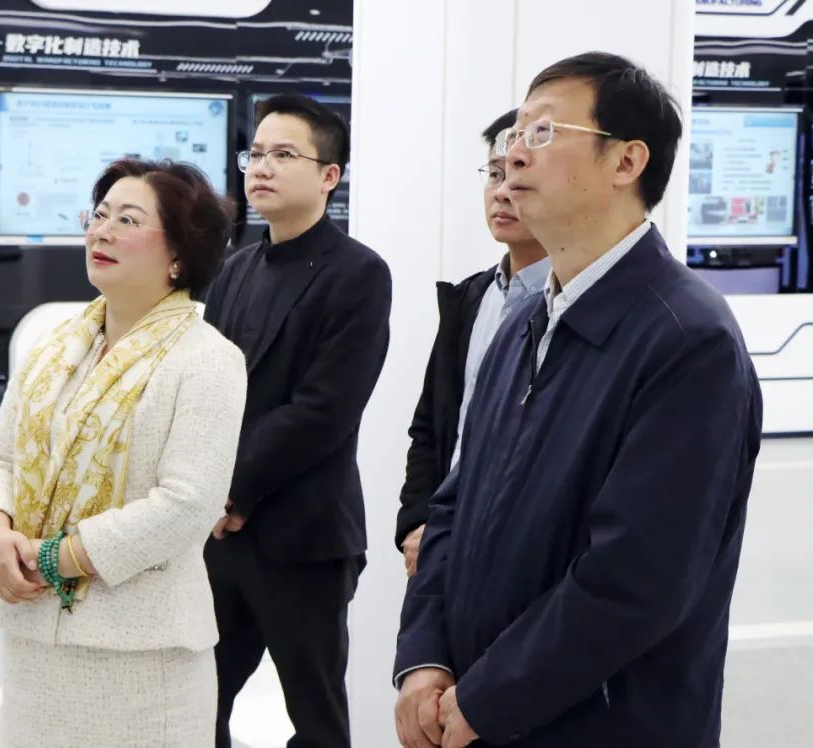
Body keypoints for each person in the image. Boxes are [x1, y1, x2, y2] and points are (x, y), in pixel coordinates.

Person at [393, 52, 762, 748]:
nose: (513, 155)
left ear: (626, 161)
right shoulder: (523, 326)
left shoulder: (688, 341)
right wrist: (425, 658)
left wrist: (489, 698)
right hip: (482, 711)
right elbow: (454, 506)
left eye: (542, 132)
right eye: (514, 136)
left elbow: (636, 581)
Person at [0, 158, 246, 747]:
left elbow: (187, 504)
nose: (102, 231)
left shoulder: (208, 359)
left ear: (179, 254)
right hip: (35, 645)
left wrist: (54, 559)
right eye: (98, 215)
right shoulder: (55, 347)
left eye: (128, 219)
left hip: (144, 658)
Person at [203, 92, 392, 748]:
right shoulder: (234, 271)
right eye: (255, 153)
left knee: (315, 719)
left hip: (303, 536)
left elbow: (324, 411)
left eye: (284, 154)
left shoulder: (359, 273)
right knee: (194, 706)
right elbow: (207, 394)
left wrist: (231, 489)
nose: (262, 167)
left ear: (329, 175)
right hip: (222, 534)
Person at [395, 109, 549, 576]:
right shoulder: (470, 298)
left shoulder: (570, 306)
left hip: (518, 552)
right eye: (495, 174)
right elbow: (431, 424)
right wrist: (416, 522)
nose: (502, 191)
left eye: (518, 175)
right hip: (442, 541)